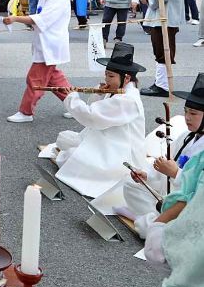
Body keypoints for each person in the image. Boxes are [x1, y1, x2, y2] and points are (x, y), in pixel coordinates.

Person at [43, 42, 146, 203]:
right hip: (105, 141)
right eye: (106, 74)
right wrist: (99, 92)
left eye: (111, 76)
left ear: (126, 78)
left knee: (70, 157)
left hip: (120, 152)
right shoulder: (119, 90)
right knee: (65, 139)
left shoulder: (128, 100)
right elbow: (96, 108)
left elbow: (92, 117)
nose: (107, 79)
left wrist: (71, 98)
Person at [123, 72, 204, 238]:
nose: (187, 117)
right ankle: (154, 219)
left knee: (147, 228)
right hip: (172, 194)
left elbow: (199, 190)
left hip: (190, 205)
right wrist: (146, 175)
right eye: (186, 111)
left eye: (193, 114)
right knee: (130, 186)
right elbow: (166, 166)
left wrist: (176, 173)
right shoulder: (186, 136)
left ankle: (152, 221)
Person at [3, 0, 72, 123]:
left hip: (51, 43)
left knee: (35, 79)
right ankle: (77, 107)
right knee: (55, 80)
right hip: (44, 41)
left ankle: (26, 112)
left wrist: (15, 18)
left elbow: (41, 19)